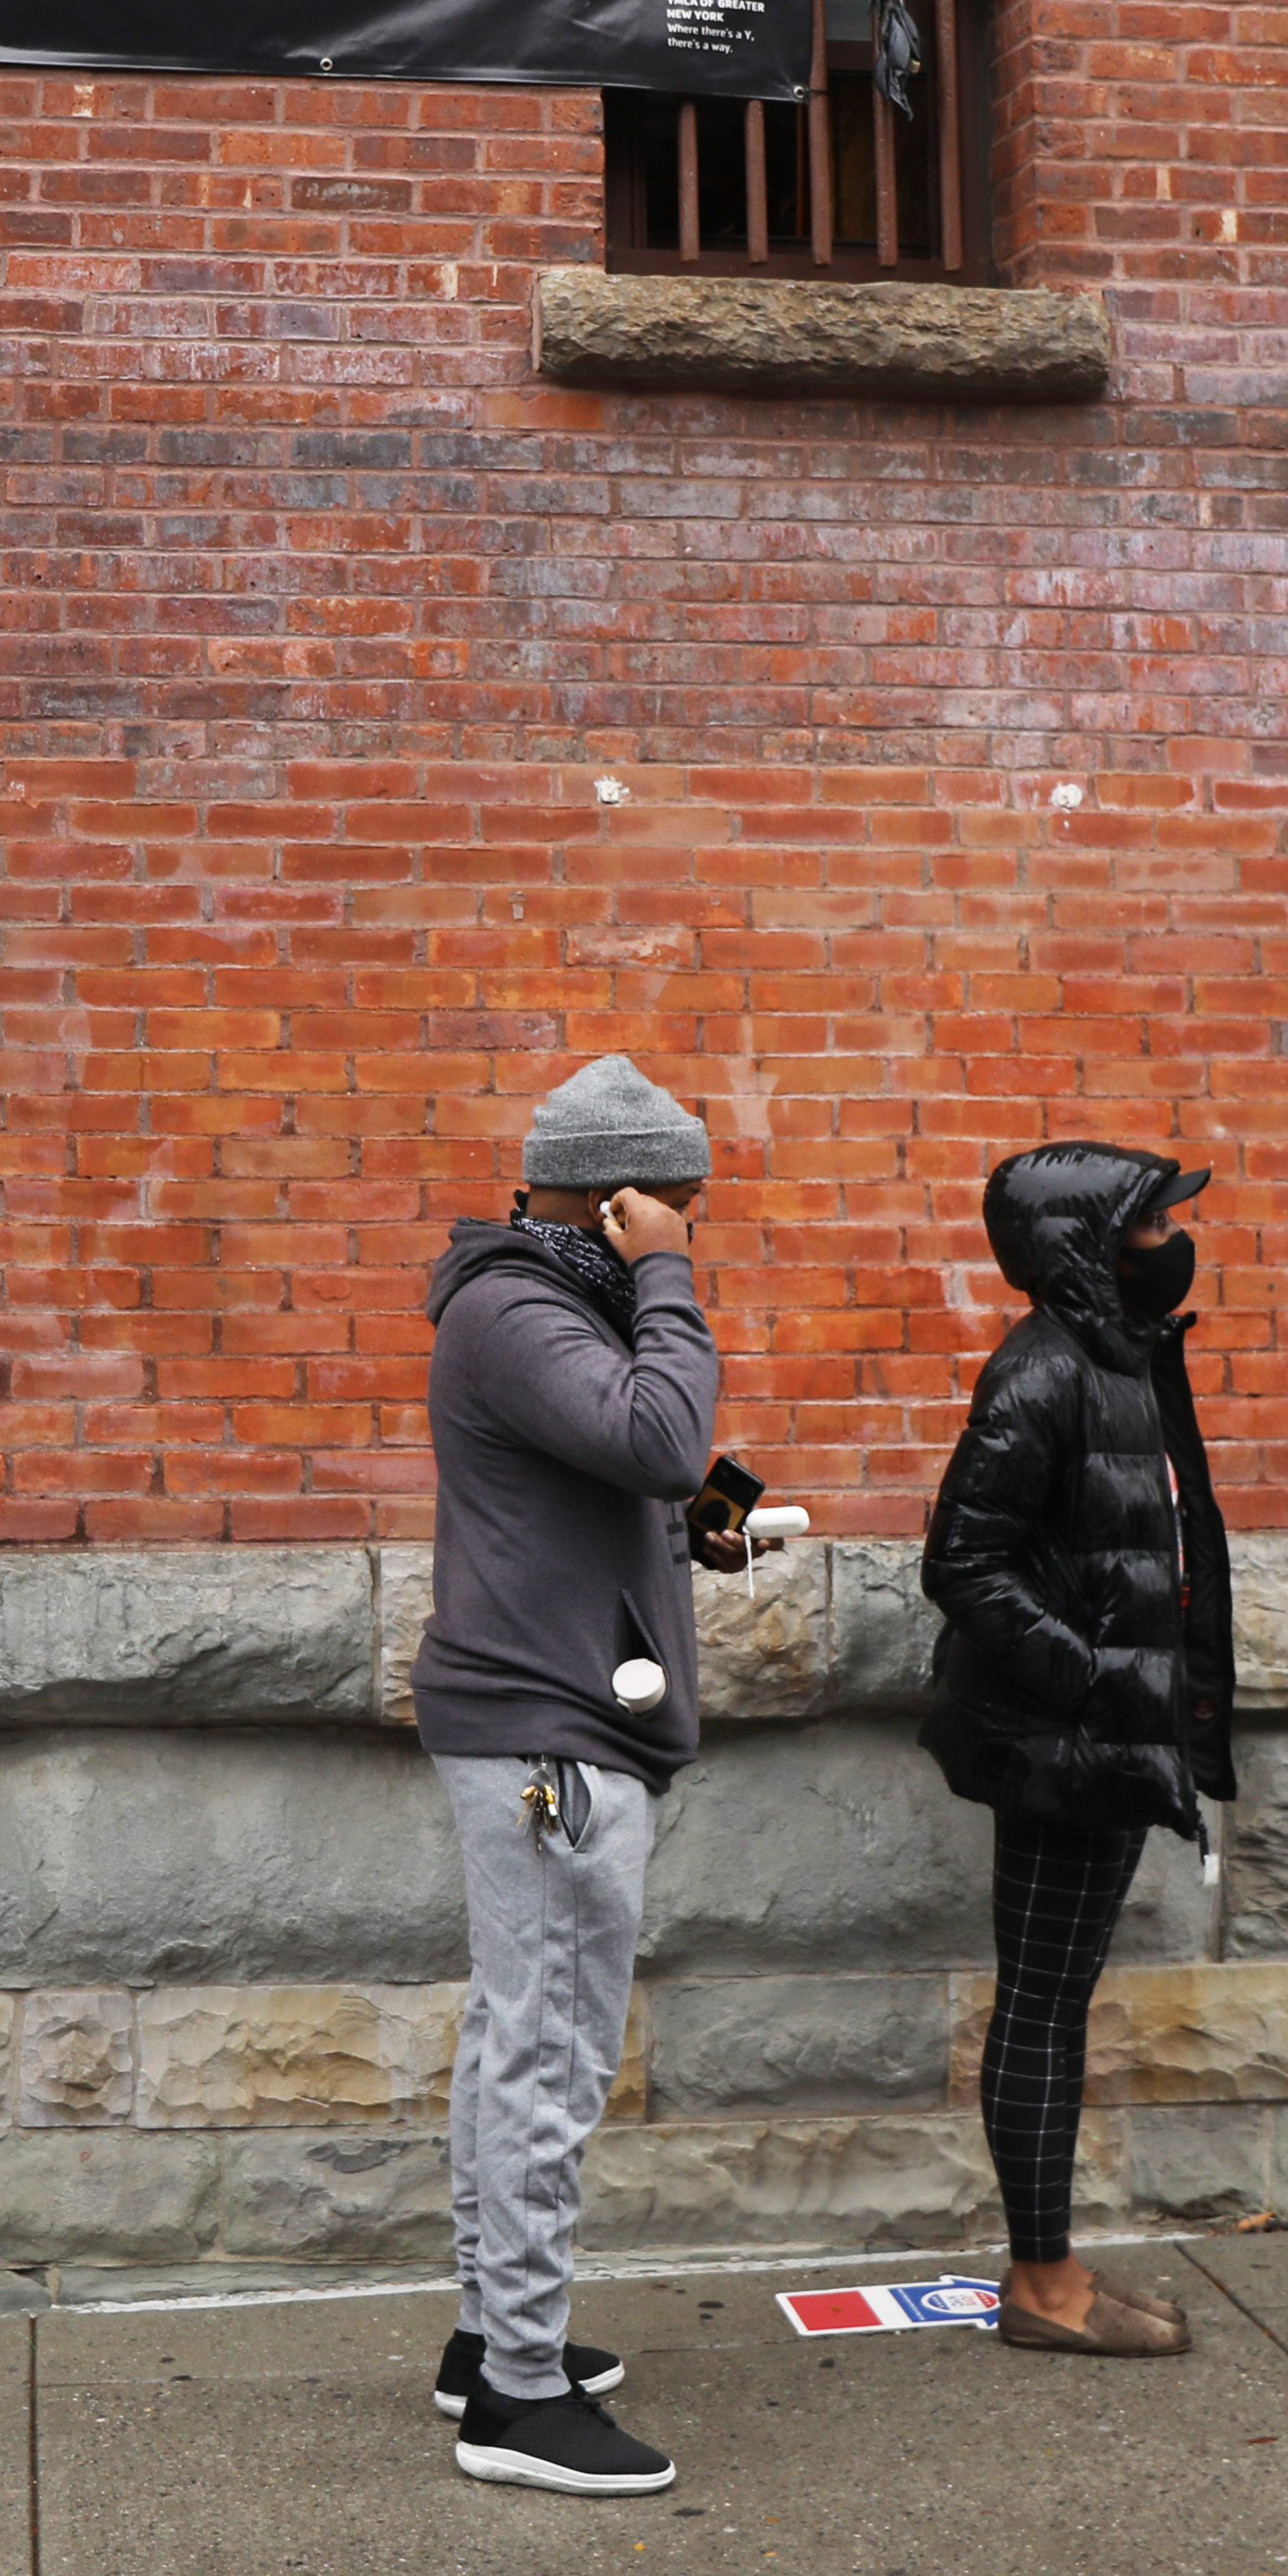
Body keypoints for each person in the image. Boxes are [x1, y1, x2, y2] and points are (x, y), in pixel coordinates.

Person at [411, 1056, 735, 2498]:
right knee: (547, 2058)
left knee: (511, 2039)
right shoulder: (518, 1307)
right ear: (613, 1196)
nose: (691, 1225)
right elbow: (659, 1435)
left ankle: (492, 2343)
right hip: (554, 1735)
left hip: (550, 1713)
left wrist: (691, 1537)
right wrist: (666, 1281)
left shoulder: (535, 1306)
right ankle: (523, 2401)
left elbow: (628, 1476)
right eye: (676, 1201)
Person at [917, 1142, 1228, 2356]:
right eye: (1150, 1229)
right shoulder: (1041, 1373)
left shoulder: (1113, 1358)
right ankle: (1041, 2289)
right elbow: (964, 1565)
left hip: (1100, 1738)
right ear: (1087, 1245)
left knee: (1058, 2000)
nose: (1171, 1246)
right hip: (1062, 1748)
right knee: (1042, 2009)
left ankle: (1053, 2265)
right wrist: (1097, 1680)